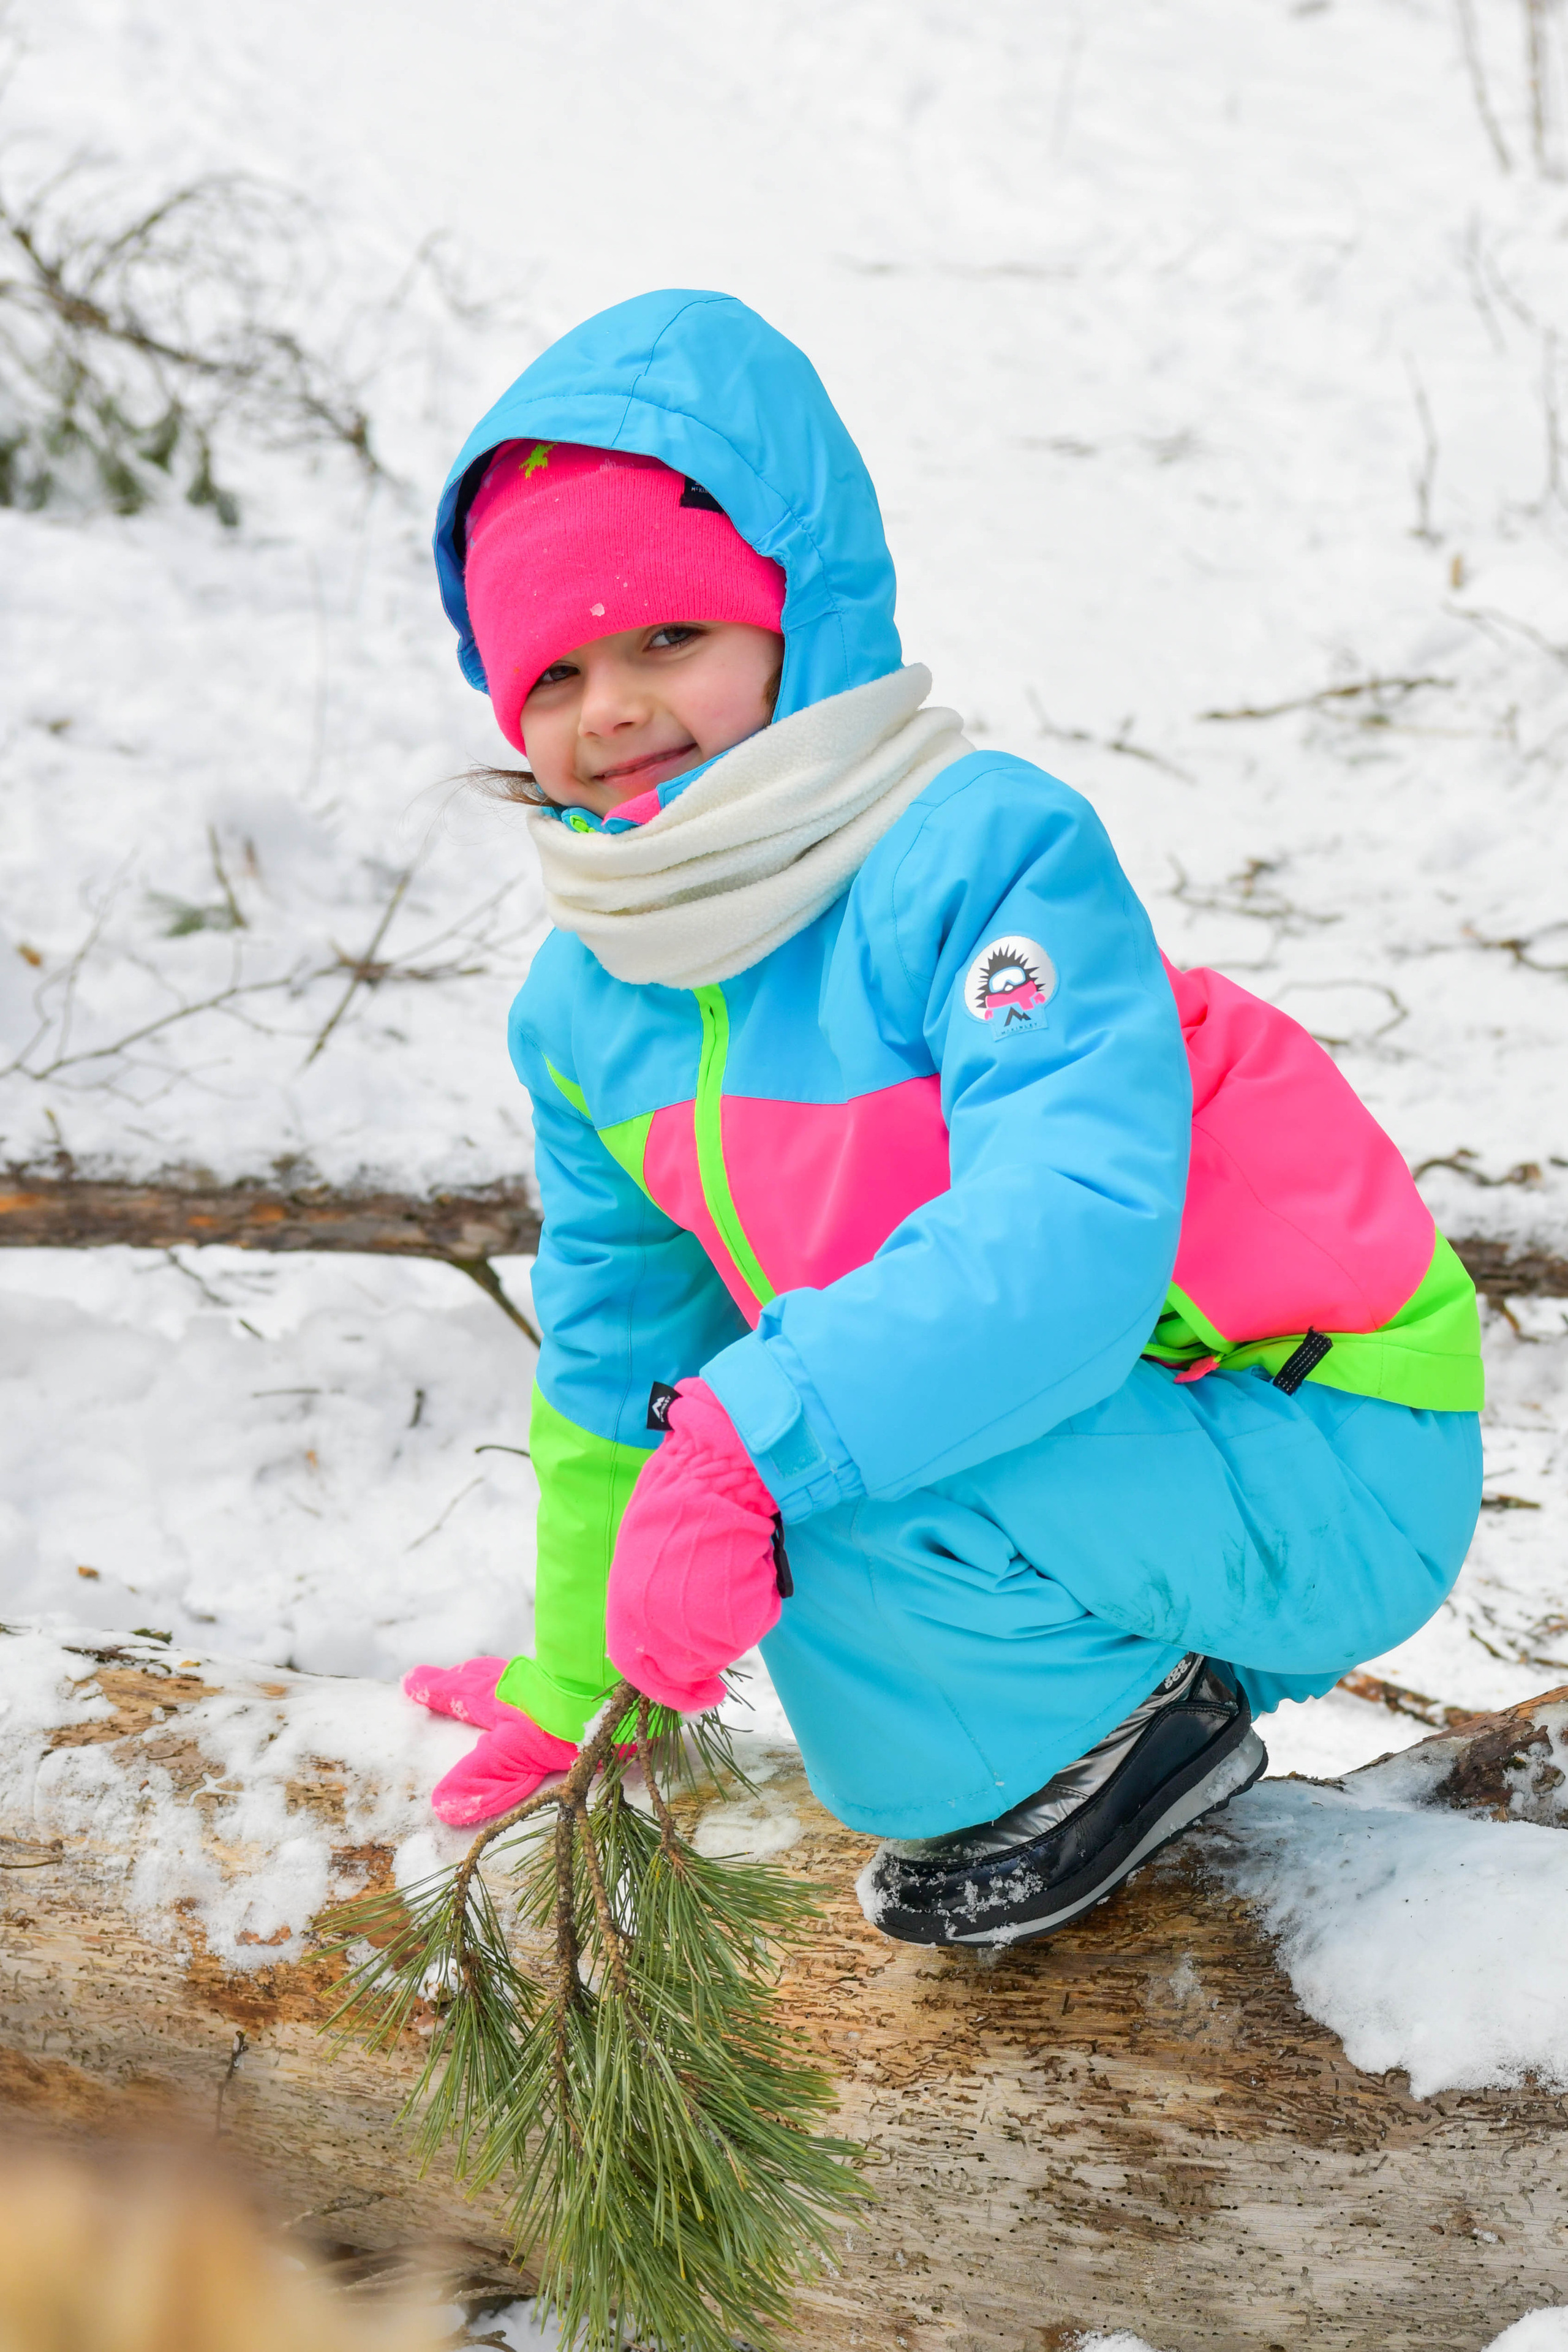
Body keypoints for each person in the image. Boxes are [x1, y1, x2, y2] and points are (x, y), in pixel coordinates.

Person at [406, 290, 1483, 1948]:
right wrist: (579, 1679)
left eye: (669, 640)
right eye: (556, 670)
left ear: (799, 618)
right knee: (872, 1676)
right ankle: (1128, 1701)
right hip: (1079, 1461)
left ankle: (1135, 1733)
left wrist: (754, 1437)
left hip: (1316, 1423)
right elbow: (622, 1353)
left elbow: (1068, 1232)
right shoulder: (591, 1004)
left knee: (830, 1482)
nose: (609, 707)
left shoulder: (976, 854)